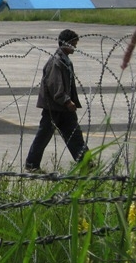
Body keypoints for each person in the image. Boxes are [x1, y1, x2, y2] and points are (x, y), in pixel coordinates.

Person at [25, 29, 90, 173]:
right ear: (66, 43)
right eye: (73, 43)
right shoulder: (57, 62)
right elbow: (55, 85)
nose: (75, 46)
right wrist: (67, 101)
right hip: (54, 108)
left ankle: (87, 164)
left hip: (64, 109)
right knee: (44, 136)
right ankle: (31, 164)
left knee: (75, 136)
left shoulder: (65, 60)